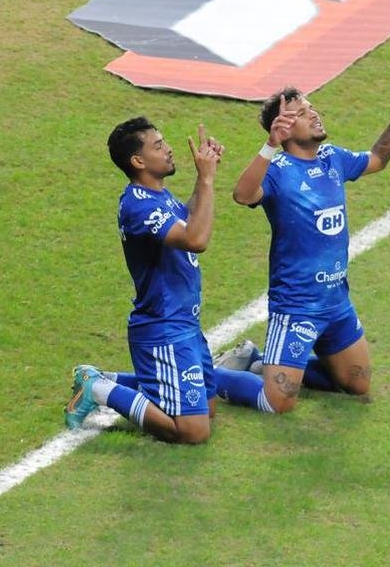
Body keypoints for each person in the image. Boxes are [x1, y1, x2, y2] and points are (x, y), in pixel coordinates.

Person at [229, 67, 390, 413]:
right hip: (296, 307)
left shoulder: (332, 158)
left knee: (357, 383)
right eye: (303, 113)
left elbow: (378, 158)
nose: (314, 114)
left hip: (336, 303)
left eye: (311, 108)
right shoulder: (277, 172)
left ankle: (258, 362)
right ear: (285, 128)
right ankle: (209, 374)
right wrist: (269, 147)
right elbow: (243, 196)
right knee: (278, 403)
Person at [65, 118, 270, 443]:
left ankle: (108, 378)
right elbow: (196, 239)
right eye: (158, 145)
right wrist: (204, 179)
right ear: (138, 161)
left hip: (183, 326)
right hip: (162, 328)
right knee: (193, 430)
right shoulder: (138, 205)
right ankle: (98, 388)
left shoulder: (157, 196)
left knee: (207, 408)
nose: (169, 148)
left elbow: (186, 217)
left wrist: (208, 178)